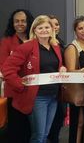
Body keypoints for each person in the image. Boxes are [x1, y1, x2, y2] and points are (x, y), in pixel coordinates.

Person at [2, 15, 66, 143]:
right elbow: (7, 68)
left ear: (52, 29)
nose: (44, 30)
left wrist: (62, 67)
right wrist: (20, 85)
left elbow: (54, 66)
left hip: (53, 96)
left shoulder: (56, 47)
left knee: (45, 133)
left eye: (47, 27)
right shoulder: (27, 47)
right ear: (34, 30)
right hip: (37, 98)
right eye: (40, 27)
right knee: (39, 135)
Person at [0, 9, 34, 142]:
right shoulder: (7, 41)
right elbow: (3, 65)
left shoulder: (34, 40)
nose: (20, 24)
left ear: (29, 22)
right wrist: (18, 83)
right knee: (16, 127)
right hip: (15, 90)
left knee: (31, 128)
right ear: (12, 23)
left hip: (32, 90)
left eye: (23, 21)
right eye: (16, 21)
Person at [47, 14, 66, 143]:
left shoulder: (61, 43)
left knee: (60, 117)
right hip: (46, 90)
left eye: (57, 24)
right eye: (51, 25)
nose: (55, 27)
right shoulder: (42, 44)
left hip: (60, 89)